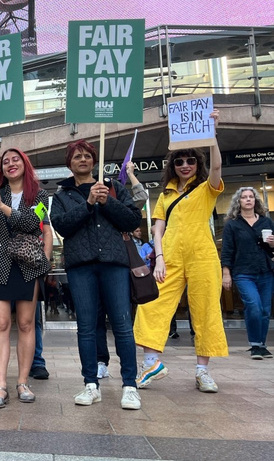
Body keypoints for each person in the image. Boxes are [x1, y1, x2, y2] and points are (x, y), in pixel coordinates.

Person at [133, 109, 227, 393]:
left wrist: (213, 135)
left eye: (190, 160)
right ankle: (151, 363)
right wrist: (158, 257)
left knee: (206, 310)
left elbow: (218, 169)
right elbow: (157, 229)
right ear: (172, 166)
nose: (185, 165)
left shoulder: (207, 188)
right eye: (179, 161)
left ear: (198, 163)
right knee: (152, 304)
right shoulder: (165, 195)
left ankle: (203, 371)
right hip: (170, 255)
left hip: (203, 255)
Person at [50, 139, 143, 410]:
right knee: (87, 328)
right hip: (81, 267)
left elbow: (132, 220)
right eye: (77, 156)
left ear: (94, 161)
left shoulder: (114, 187)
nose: (82, 160)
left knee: (123, 326)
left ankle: (129, 386)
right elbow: (62, 226)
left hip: (114, 264)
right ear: (70, 163)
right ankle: (91, 384)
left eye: (87, 156)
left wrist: (108, 202)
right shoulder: (62, 195)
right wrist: (89, 204)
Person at [0, 148, 51, 408]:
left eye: (15, 160)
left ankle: (22, 382)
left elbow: (33, 222)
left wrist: (1, 205)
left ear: (25, 163)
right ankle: (1, 385)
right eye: (5, 161)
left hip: (27, 265)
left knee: (25, 324)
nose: (10, 164)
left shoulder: (39, 194)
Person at [96, 161, 149, 379]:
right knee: (97, 318)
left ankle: (127, 366)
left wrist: (130, 174)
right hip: (93, 263)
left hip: (118, 262)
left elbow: (141, 200)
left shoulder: (115, 189)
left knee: (121, 319)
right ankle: (101, 361)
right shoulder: (81, 193)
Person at [221, 186, 274, 360]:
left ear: (256, 201)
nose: (248, 199)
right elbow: (227, 250)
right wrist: (226, 273)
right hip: (243, 272)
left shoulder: (266, 222)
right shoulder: (232, 224)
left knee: (265, 310)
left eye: (251, 197)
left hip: (265, 270)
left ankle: (262, 344)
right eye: (244, 197)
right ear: (239, 201)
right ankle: (255, 344)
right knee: (254, 305)